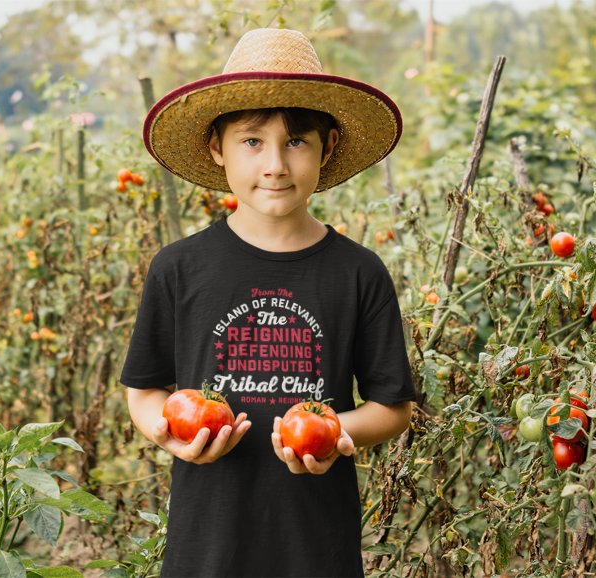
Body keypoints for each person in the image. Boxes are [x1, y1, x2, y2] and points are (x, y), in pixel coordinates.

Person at [120, 27, 416, 578]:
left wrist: (338, 432)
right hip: (207, 540)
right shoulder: (179, 268)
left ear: (327, 148)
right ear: (218, 148)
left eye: (296, 142)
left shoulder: (358, 272)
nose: (276, 164)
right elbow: (145, 390)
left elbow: (393, 406)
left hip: (315, 542)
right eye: (252, 142)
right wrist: (168, 434)